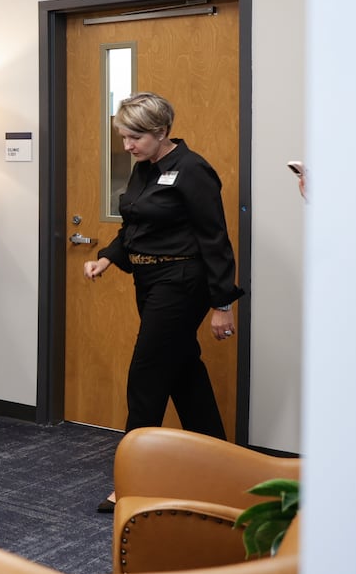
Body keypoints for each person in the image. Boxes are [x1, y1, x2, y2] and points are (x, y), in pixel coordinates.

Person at [83, 91, 243, 513]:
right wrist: (107, 258)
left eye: (135, 137)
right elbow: (136, 227)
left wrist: (222, 303)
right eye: (123, 137)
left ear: (161, 131)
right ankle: (221, 467)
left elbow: (215, 239)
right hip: (150, 280)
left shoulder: (193, 170)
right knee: (183, 372)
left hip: (182, 281)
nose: (128, 146)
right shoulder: (143, 169)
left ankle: (136, 482)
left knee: (147, 374)